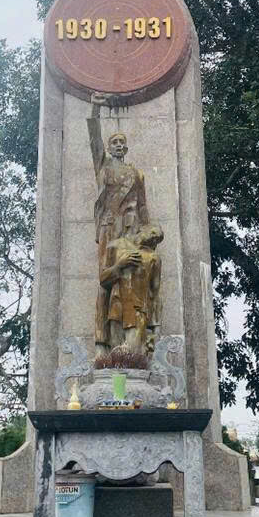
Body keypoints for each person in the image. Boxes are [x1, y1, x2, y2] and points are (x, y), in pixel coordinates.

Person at [88, 93, 149, 355]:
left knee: (128, 280)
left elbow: (143, 207)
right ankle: (101, 343)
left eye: (122, 142)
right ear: (109, 147)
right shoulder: (102, 166)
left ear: (127, 147)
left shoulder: (136, 174)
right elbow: (93, 138)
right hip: (108, 227)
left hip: (130, 231)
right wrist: (95, 107)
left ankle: (128, 342)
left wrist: (147, 234)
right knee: (105, 280)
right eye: (114, 142)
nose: (119, 145)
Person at [99, 223, 164, 354]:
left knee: (133, 353)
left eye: (158, 239)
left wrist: (155, 328)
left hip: (138, 310)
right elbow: (103, 279)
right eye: (153, 233)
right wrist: (119, 265)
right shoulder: (116, 246)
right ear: (142, 229)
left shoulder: (153, 258)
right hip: (116, 307)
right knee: (115, 353)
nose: (154, 238)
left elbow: (155, 293)